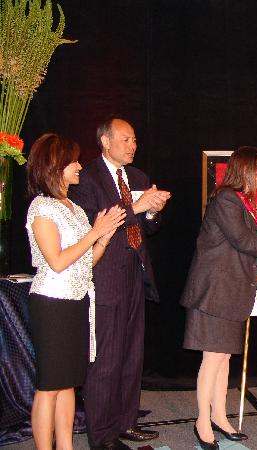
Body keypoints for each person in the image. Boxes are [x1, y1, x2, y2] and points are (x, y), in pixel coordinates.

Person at [180, 146, 257, 450]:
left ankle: (219, 416)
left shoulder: (240, 200)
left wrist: (256, 271)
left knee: (224, 356)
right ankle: (202, 421)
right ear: (246, 168)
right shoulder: (227, 198)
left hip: (230, 289)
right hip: (214, 291)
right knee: (212, 357)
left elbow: (237, 248)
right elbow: (243, 240)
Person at [69, 117, 171, 449]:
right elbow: (92, 226)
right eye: (126, 140)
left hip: (136, 276)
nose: (133, 145)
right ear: (105, 141)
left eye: (135, 140)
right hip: (105, 276)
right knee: (106, 359)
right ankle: (101, 435)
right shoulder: (87, 178)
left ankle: (126, 423)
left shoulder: (138, 177)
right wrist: (135, 205)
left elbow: (148, 228)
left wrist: (153, 210)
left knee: (131, 356)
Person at [25, 133, 125, 450]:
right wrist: (94, 233)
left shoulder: (75, 208)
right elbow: (56, 261)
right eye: (74, 161)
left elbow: (86, 261)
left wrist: (104, 238)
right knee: (49, 386)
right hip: (52, 304)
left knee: (68, 383)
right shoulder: (41, 208)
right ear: (56, 166)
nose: (80, 166)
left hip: (78, 300)